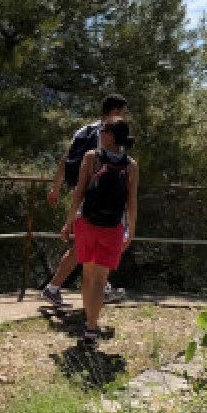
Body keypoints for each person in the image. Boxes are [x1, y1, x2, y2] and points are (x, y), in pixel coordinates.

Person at [43, 94, 130, 307]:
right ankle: (61, 287)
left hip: (83, 193)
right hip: (98, 196)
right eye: (123, 112)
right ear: (116, 112)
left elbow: (67, 158)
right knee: (94, 242)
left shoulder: (84, 130)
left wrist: (56, 186)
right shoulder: (110, 134)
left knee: (86, 242)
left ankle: (93, 286)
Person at [61, 117, 138, 347]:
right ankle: (91, 327)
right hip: (113, 228)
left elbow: (79, 192)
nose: (100, 133)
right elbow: (132, 202)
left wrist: (68, 221)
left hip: (87, 223)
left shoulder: (92, 157)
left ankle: (89, 324)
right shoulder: (131, 165)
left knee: (88, 275)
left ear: (111, 135)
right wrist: (131, 230)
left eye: (103, 130)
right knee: (99, 279)